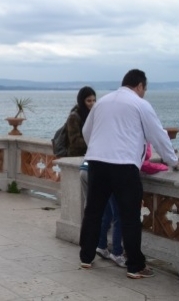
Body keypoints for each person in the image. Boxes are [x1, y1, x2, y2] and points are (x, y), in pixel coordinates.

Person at [78, 69, 179, 279]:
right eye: (144, 89)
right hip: (124, 165)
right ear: (140, 86)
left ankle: (86, 257)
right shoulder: (140, 104)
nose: (144, 93)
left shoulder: (102, 102)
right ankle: (135, 266)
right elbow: (158, 135)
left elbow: (87, 131)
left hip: (97, 162)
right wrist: (173, 161)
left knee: (93, 211)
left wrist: (98, 149)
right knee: (130, 216)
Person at [66, 87, 125, 267]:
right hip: (91, 165)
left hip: (91, 164)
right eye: (88, 101)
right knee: (100, 212)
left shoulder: (96, 114)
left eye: (93, 100)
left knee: (97, 211)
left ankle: (95, 248)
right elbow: (76, 140)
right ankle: (108, 251)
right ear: (81, 101)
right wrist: (98, 142)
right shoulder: (75, 116)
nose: (92, 103)